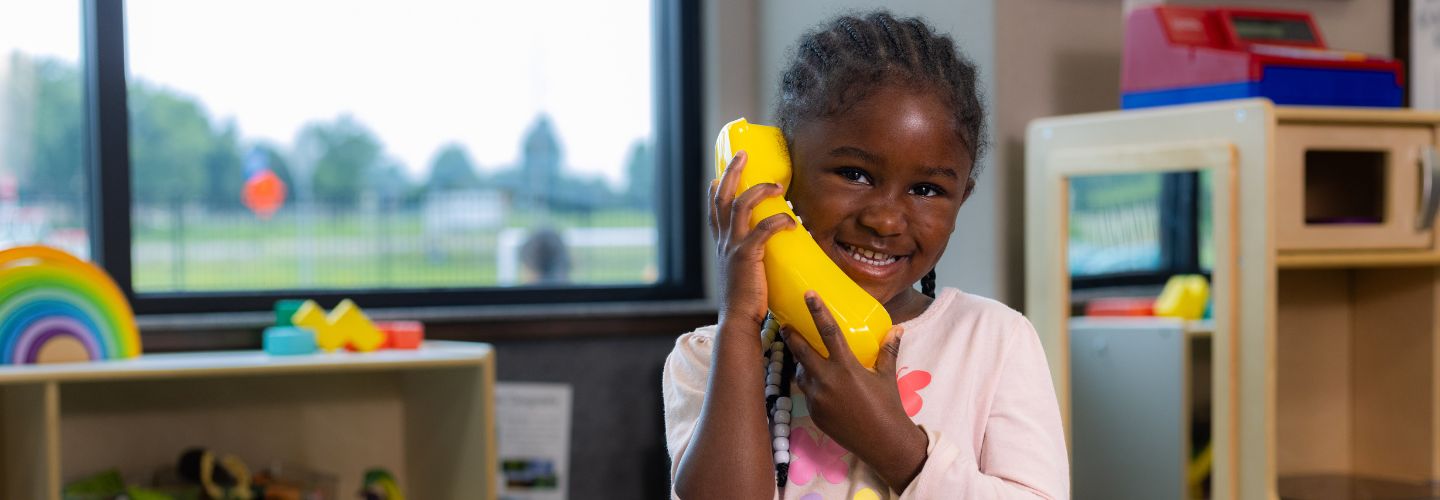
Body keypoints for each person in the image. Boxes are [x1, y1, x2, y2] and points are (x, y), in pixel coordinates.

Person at [663, 11, 1068, 499]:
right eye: (854, 174)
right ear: (783, 176)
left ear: (962, 199)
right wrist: (741, 326)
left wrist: (895, 447)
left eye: (926, 189)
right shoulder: (709, 358)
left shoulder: (994, 342)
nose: (885, 220)